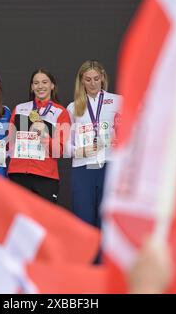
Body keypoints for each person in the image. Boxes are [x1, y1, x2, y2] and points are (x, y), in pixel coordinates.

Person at [67, 60, 123, 228]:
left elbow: (132, 130)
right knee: (83, 222)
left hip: (109, 165)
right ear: (81, 81)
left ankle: (103, 256)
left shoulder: (117, 101)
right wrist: (79, 151)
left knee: (105, 222)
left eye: (96, 78)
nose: (93, 83)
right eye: (88, 79)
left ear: (103, 78)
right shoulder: (73, 107)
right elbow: (65, 145)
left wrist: (121, 141)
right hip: (83, 167)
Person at [7, 68, 71, 203]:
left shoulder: (61, 113)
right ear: (31, 87)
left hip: (45, 177)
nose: (40, 86)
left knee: (43, 222)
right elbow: (10, 145)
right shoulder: (19, 109)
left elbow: (58, 151)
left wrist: (44, 135)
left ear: (52, 85)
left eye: (44, 82)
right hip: (18, 174)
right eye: (36, 83)